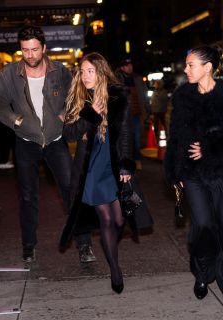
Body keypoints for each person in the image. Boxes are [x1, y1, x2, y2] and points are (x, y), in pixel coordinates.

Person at [0, 25, 95, 264]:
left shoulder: (60, 71)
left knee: (71, 191)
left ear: (44, 48)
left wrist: (63, 117)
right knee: (28, 197)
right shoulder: (9, 74)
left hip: (56, 142)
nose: (30, 55)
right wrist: (15, 120)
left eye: (35, 49)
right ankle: (28, 246)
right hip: (26, 143)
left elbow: (75, 97)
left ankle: (84, 244)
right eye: (25, 50)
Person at [165, 45, 223, 302]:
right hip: (192, 173)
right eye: (186, 64)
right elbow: (175, 137)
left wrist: (211, 148)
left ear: (208, 67)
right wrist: (175, 171)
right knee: (203, 224)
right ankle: (203, 273)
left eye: (191, 64)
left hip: (221, 171)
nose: (186, 69)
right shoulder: (183, 96)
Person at [59, 52, 136, 294]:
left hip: (111, 163)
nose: (85, 76)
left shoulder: (118, 96)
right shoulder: (78, 98)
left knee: (120, 219)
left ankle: (114, 246)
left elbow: (124, 134)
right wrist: (90, 113)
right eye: (82, 71)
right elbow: (69, 134)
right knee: (105, 219)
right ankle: (115, 269)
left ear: (101, 72)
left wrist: (125, 164)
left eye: (90, 71)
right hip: (90, 166)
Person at [115, 59, 149, 170]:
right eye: (126, 66)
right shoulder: (117, 80)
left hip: (136, 115)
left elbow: (144, 97)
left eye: (130, 65)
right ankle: (125, 161)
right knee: (124, 139)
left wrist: (148, 112)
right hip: (123, 115)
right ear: (122, 68)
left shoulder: (138, 79)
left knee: (136, 139)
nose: (129, 67)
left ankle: (137, 160)